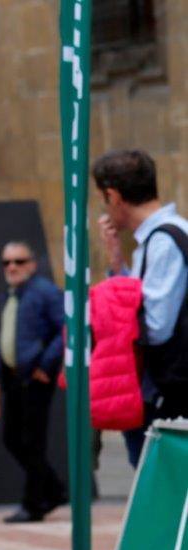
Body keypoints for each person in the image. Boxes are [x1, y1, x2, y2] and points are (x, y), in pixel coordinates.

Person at [94, 149, 188, 464]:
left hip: (170, 395)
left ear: (113, 196)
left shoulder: (165, 241)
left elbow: (157, 328)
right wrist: (117, 263)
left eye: (104, 200)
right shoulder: (159, 239)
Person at [0, 241, 66, 524]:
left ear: (32, 264)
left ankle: (34, 504)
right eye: (7, 262)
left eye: (19, 261)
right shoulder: (10, 295)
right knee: (13, 439)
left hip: (34, 378)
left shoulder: (44, 292)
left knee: (33, 443)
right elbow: (7, 339)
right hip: (14, 378)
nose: (12, 267)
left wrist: (45, 364)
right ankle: (54, 489)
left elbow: (66, 328)